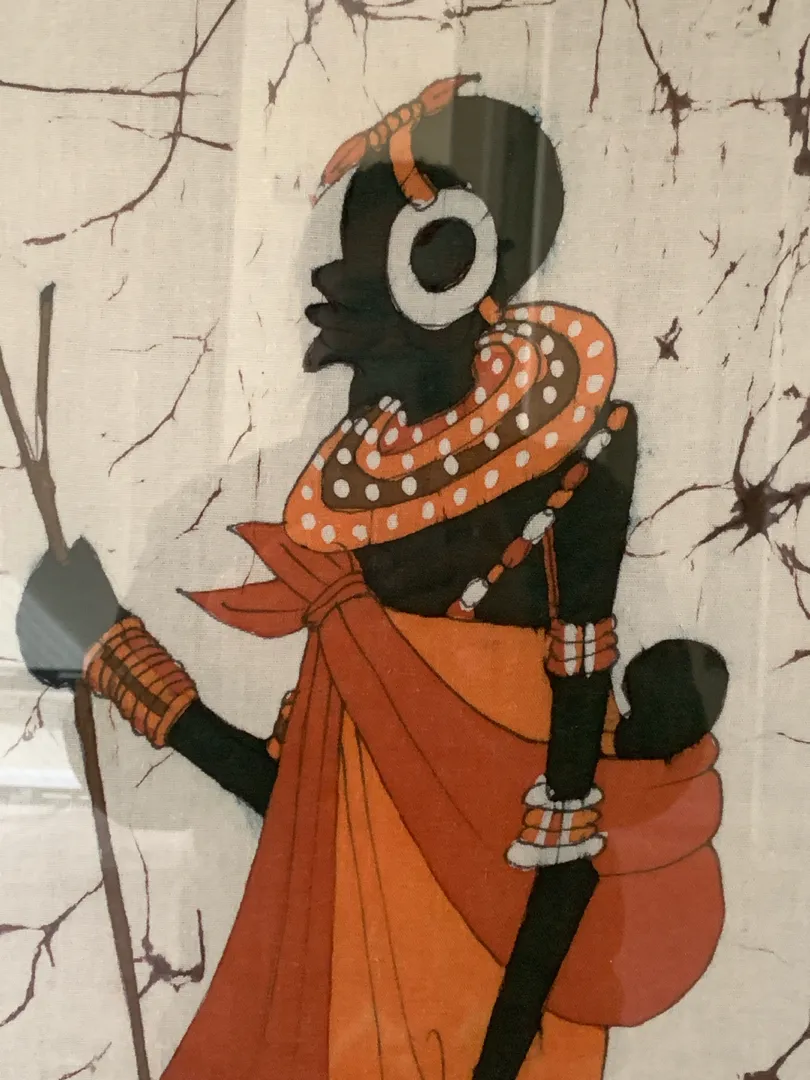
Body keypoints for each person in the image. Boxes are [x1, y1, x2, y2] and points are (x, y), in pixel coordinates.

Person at [17, 77, 728, 1080]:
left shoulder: (578, 465)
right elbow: (310, 808)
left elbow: (561, 847)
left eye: (387, 256)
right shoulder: (355, 515)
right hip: (340, 988)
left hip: (499, 1013)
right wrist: (117, 661)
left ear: (466, 262)